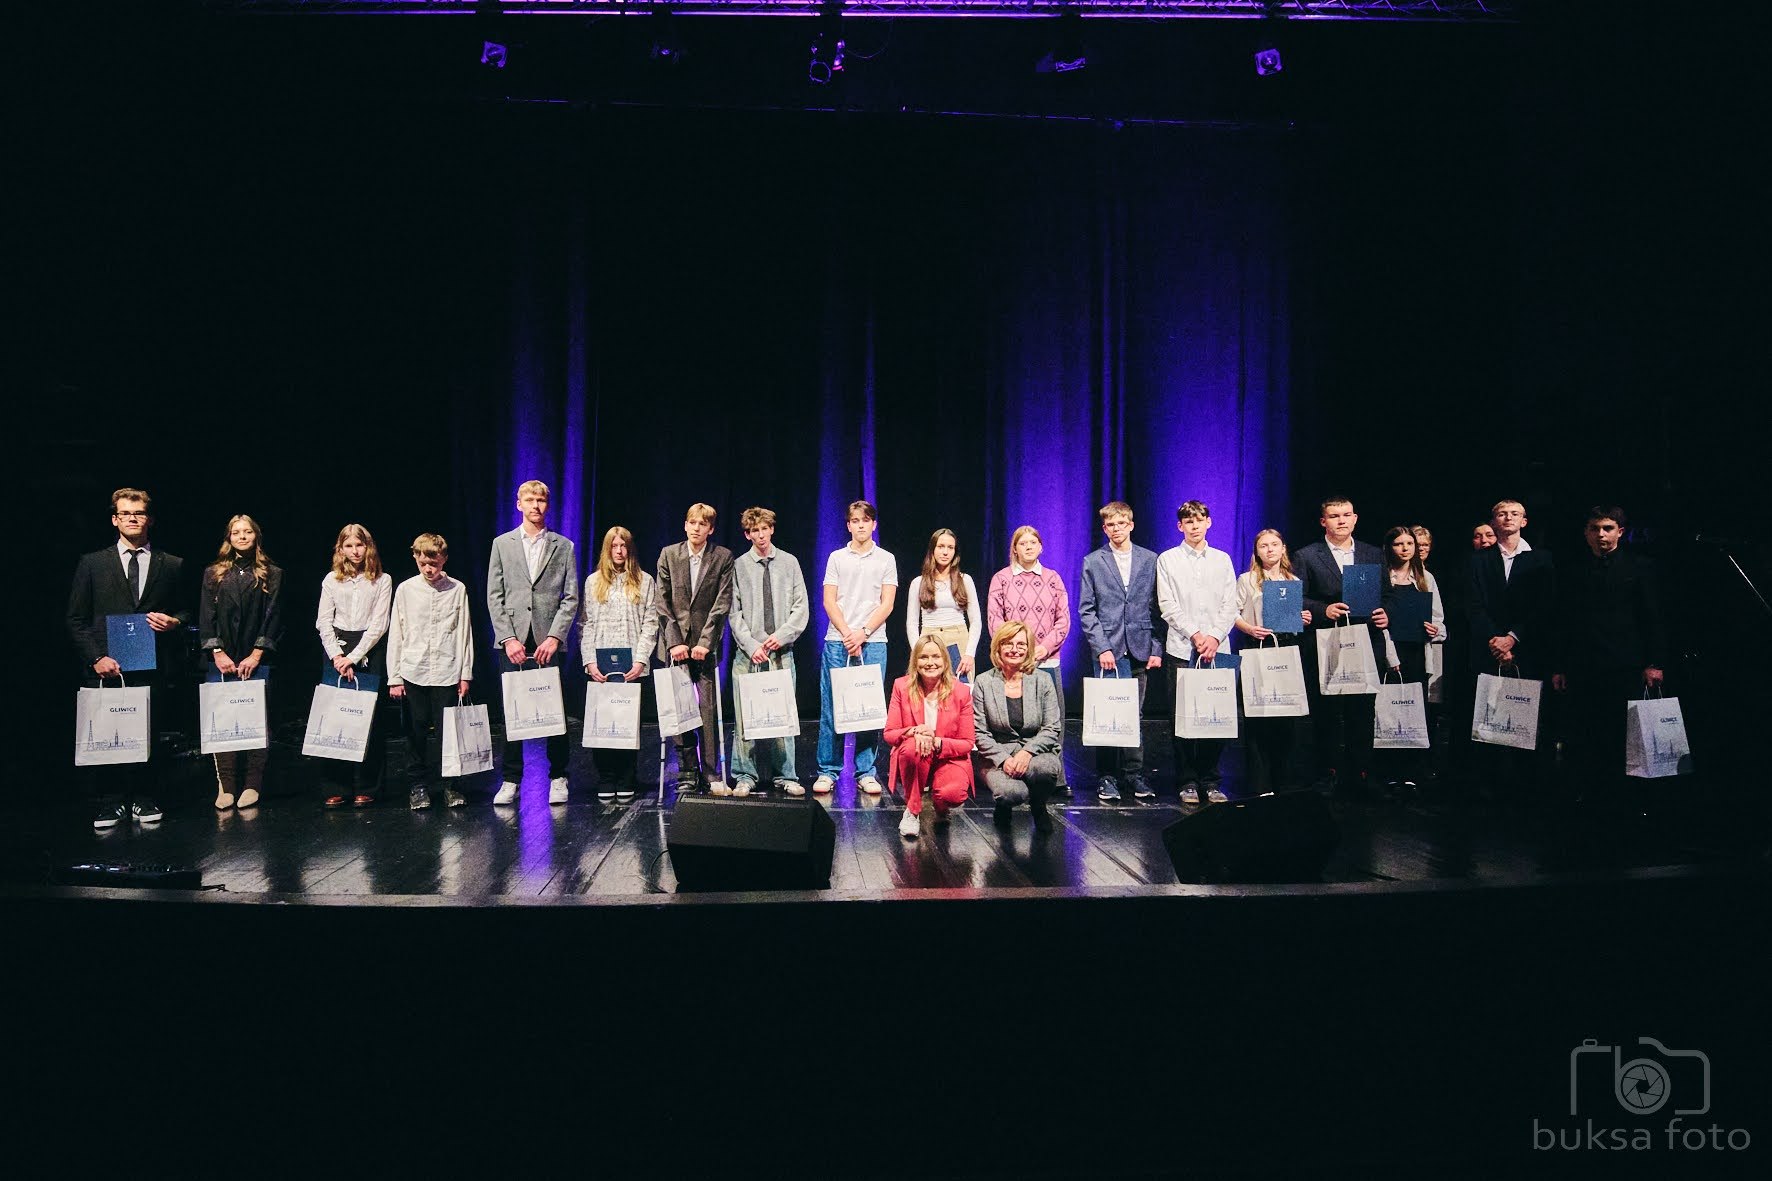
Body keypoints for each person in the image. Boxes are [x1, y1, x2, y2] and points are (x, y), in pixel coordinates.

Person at [67, 487, 190, 828]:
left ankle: (144, 797)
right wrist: (96, 658)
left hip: (151, 663)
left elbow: (185, 611)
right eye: (125, 513)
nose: (132, 519)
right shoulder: (93, 563)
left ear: (150, 519)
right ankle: (110, 801)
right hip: (107, 666)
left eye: (139, 513)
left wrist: (175, 622)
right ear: (114, 520)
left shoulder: (171, 564)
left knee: (148, 732)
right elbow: (75, 619)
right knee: (109, 733)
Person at [1552, 506, 1666, 797]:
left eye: (1607, 528)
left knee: (1623, 732)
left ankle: (1623, 795)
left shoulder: (1640, 567)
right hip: (1583, 664)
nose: (1600, 535)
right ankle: (1588, 793)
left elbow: (1651, 617)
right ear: (1585, 533)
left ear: (1620, 532)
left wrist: (1654, 662)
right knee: (1585, 731)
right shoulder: (1573, 570)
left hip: (1624, 664)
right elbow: (1564, 620)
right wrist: (1560, 665)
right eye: (1594, 529)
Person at [487, 480, 579, 807]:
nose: (535, 505)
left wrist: (555, 636)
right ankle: (511, 779)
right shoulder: (503, 544)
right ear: (519, 504)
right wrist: (508, 638)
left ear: (547, 505)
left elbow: (570, 597)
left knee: (554, 710)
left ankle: (558, 776)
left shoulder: (563, 546)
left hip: (547, 640)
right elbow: (494, 595)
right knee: (513, 711)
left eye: (541, 500)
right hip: (513, 639)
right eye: (529, 500)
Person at [1295, 497, 1389, 797]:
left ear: (1355, 518)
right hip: (1328, 640)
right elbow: (1298, 597)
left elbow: (1388, 594)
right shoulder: (1307, 555)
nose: (1341, 520)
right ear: (1323, 521)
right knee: (1328, 712)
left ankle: (1361, 774)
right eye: (1334, 516)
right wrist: (1323, 610)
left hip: (1366, 638)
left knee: (1363, 711)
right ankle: (1328, 773)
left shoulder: (1373, 553)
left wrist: (1386, 613)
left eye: (1346, 515)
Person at [1467, 499, 1557, 798]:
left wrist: (1514, 637)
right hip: (1489, 648)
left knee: (1525, 718)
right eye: (1502, 514)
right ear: (1493, 521)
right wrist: (1496, 639)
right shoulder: (1478, 560)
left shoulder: (1541, 559)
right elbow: (1473, 604)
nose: (1508, 518)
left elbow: (1545, 605)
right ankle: (1487, 785)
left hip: (1526, 648)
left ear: (1524, 521)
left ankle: (1525, 787)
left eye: (1514, 514)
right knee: (1488, 717)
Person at [1077, 501, 1165, 802]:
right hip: (1108, 650)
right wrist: (1101, 646)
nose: (1116, 529)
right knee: (1107, 712)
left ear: (1131, 525)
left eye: (1121, 524)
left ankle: (1134, 774)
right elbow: (1086, 610)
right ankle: (1107, 776)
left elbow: (1158, 607)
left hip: (1139, 646)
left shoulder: (1150, 559)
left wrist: (1156, 647)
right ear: (1105, 529)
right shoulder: (1093, 561)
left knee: (1133, 713)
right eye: (1110, 525)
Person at [1156, 500, 1239, 805]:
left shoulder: (1222, 559)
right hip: (1183, 648)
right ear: (1180, 526)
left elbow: (1231, 603)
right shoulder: (1168, 559)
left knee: (1216, 716)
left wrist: (1214, 636)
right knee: (1183, 717)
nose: (1194, 526)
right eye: (1188, 522)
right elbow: (1167, 605)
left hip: (1217, 649)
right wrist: (1196, 634)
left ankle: (1211, 779)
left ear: (1208, 522)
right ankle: (1187, 780)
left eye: (1199, 520)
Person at [200, 514, 284, 811]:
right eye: (236, 532)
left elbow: (274, 615)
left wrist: (257, 653)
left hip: (256, 657)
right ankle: (226, 784)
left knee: (256, 719)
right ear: (229, 537)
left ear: (256, 536)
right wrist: (217, 651)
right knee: (222, 720)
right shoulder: (213, 573)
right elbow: (206, 616)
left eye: (247, 531)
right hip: (221, 658)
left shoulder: (272, 573)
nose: (242, 536)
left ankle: (252, 782)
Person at [816, 500, 898, 797]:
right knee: (832, 706)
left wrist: (863, 633)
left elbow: (887, 603)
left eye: (865, 520)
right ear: (848, 525)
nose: (860, 525)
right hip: (838, 640)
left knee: (868, 708)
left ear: (873, 524)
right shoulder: (837, 557)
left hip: (873, 641)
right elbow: (829, 601)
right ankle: (828, 770)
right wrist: (848, 633)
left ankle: (866, 771)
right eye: (855, 520)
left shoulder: (886, 559)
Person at [388, 534, 475, 809]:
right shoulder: (405, 590)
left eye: (434, 564)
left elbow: (464, 633)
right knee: (416, 731)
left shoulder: (457, 589)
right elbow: (397, 632)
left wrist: (465, 673)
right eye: (423, 563)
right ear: (415, 557)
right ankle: (418, 786)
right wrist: (394, 677)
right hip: (414, 669)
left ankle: (451, 785)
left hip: (447, 670)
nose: (428, 569)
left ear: (444, 559)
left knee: (449, 732)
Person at [655, 502, 736, 795]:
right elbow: (662, 602)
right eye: (692, 523)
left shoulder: (722, 557)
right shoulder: (669, 554)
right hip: (675, 646)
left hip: (705, 647)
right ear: (685, 525)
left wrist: (705, 642)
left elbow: (722, 603)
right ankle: (687, 770)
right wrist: (675, 641)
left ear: (710, 529)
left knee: (707, 709)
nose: (696, 528)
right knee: (680, 709)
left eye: (702, 524)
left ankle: (712, 772)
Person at [728, 507, 808, 797]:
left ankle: (785, 775)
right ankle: (744, 775)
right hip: (748, 654)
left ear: (771, 529)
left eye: (765, 529)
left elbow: (801, 606)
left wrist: (781, 636)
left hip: (780, 653)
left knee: (782, 715)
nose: (760, 535)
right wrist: (751, 645)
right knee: (745, 717)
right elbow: (733, 612)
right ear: (747, 534)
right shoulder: (738, 566)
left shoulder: (789, 562)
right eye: (755, 531)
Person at [985, 525, 1071, 793]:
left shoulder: (1052, 578)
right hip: (1011, 661)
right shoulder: (1001, 579)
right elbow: (994, 620)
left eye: (1033, 542)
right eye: (1023, 543)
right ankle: (1011, 770)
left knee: (1052, 719)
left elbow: (1063, 620)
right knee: (1012, 720)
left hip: (1046, 660)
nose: (1029, 547)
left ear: (1041, 547)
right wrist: (1013, 649)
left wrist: (1041, 650)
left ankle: (1055, 778)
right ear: (1015, 548)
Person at [579, 526, 658, 803]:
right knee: (603, 724)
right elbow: (586, 624)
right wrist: (590, 661)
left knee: (627, 724)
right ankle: (606, 777)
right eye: (614, 546)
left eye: (623, 546)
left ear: (630, 549)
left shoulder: (645, 581)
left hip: (632, 667)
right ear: (607, 549)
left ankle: (626, 777)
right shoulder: (593, 582)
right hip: (601, 667)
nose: (619, 551)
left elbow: (651, 623)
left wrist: (641, 660)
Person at [315, 524, 392, 808]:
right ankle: (336, 785)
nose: (355, 551)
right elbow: (323, 621)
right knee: (335, 718)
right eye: (349, 546)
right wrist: (338, 656)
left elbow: (379, 624)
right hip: (336, 647)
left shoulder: (382, 580)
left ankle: (368, 785)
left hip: (369, 648)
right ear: (341, 549)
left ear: (368, 547)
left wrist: (354, 657)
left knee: (369, 719)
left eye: (360, 545)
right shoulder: (331, 579)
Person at [1232, 528, 1312, 794]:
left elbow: (1293, 617)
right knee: (1259, 717)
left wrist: (1303, 618)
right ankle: (1259, 783)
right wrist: (1249, 628)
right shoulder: (1247, 580)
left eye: (1274, 544)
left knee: (1286, 717)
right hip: (1258, 647)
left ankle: (1282, 781)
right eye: (1264, 546)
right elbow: (1232, 612)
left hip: (1286, 648)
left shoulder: (1292, 580)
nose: (1269, 550)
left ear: (1283, 548)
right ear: (1257, 551)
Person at [973, 621, 1063, 834]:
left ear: (1029, 648)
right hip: (997, 756)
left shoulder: (1042, 680)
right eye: (1008, 643)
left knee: (1045, 769)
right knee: (1011, 793)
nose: (1015, 649)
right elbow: (979, 732)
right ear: (998, 647)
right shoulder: (983, 682)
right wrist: (1004, 760)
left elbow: (1051, 727)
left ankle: (1038, 805)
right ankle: (1003, 806)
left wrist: (1026, 752)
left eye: (1021, 644)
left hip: (1035, 753)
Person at [883, 634, 975, 840]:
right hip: (917, 755)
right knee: (911, 747)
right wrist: (914, 731)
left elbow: (968, 743)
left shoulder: (961, 692)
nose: (930, 662)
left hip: (947, 757)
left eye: (936, 657)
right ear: (915, 661)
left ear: (945, 660)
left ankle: (941, 807)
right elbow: (889, 734)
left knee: (952, 794)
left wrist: (937, 742)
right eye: (924, 657)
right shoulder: (902, 686)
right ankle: (912, 810)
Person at [1376, 525, 1445, 795]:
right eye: (1398, 544)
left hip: (1417, 652)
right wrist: (1390, 655)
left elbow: (1438, 618)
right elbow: (1378, 621)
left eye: (1409, 544)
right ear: (1389, 548)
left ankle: (1411, 772)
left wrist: (1435, 629)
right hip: (1389, 653)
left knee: (1414, 711)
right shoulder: (1383, 578)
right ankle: (1387, 771)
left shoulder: (1425, 577)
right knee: (1388, 710)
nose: (1405, 548)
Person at [904, 528, 982, 681]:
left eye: (950, 547)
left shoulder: (965, 580)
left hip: (958, 638)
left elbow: (976, 621)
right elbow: (911, 623)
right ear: (932, 549)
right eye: (941, 547)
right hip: (929, 639)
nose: (945, 552)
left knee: (961, 689)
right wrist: (916, 652)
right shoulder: (918, 583)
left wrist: (969, 653)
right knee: (930, 689)